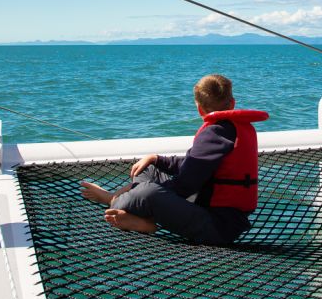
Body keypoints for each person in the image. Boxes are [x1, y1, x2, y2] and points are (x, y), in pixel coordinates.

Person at [80, 74, 268, 246]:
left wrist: (143, 194)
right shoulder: (236, 128)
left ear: (199, 108)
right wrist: (157, 159)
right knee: (150, 168)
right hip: (219, 216)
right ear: (232, 103)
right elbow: (195, 164)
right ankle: (134, 209)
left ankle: (116, 201)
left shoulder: (216, 132)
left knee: (148, 192)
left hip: (216, 227)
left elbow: (184, 186)